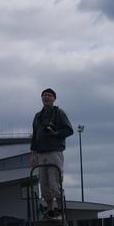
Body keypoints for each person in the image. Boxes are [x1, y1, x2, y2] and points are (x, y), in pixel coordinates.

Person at [30, 88, 74, 217]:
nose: (46, 97)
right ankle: (49, 208)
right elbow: (34, 136)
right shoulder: (38, 116)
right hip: (40, 153)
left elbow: (69, 130)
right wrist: (32, 153)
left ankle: (60, 208)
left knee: (55, 181)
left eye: (49, 95)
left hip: (54, 152)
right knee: (44, 183)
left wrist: (56, 133)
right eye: (44, 95)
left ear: (54, 98)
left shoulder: (59, 113)